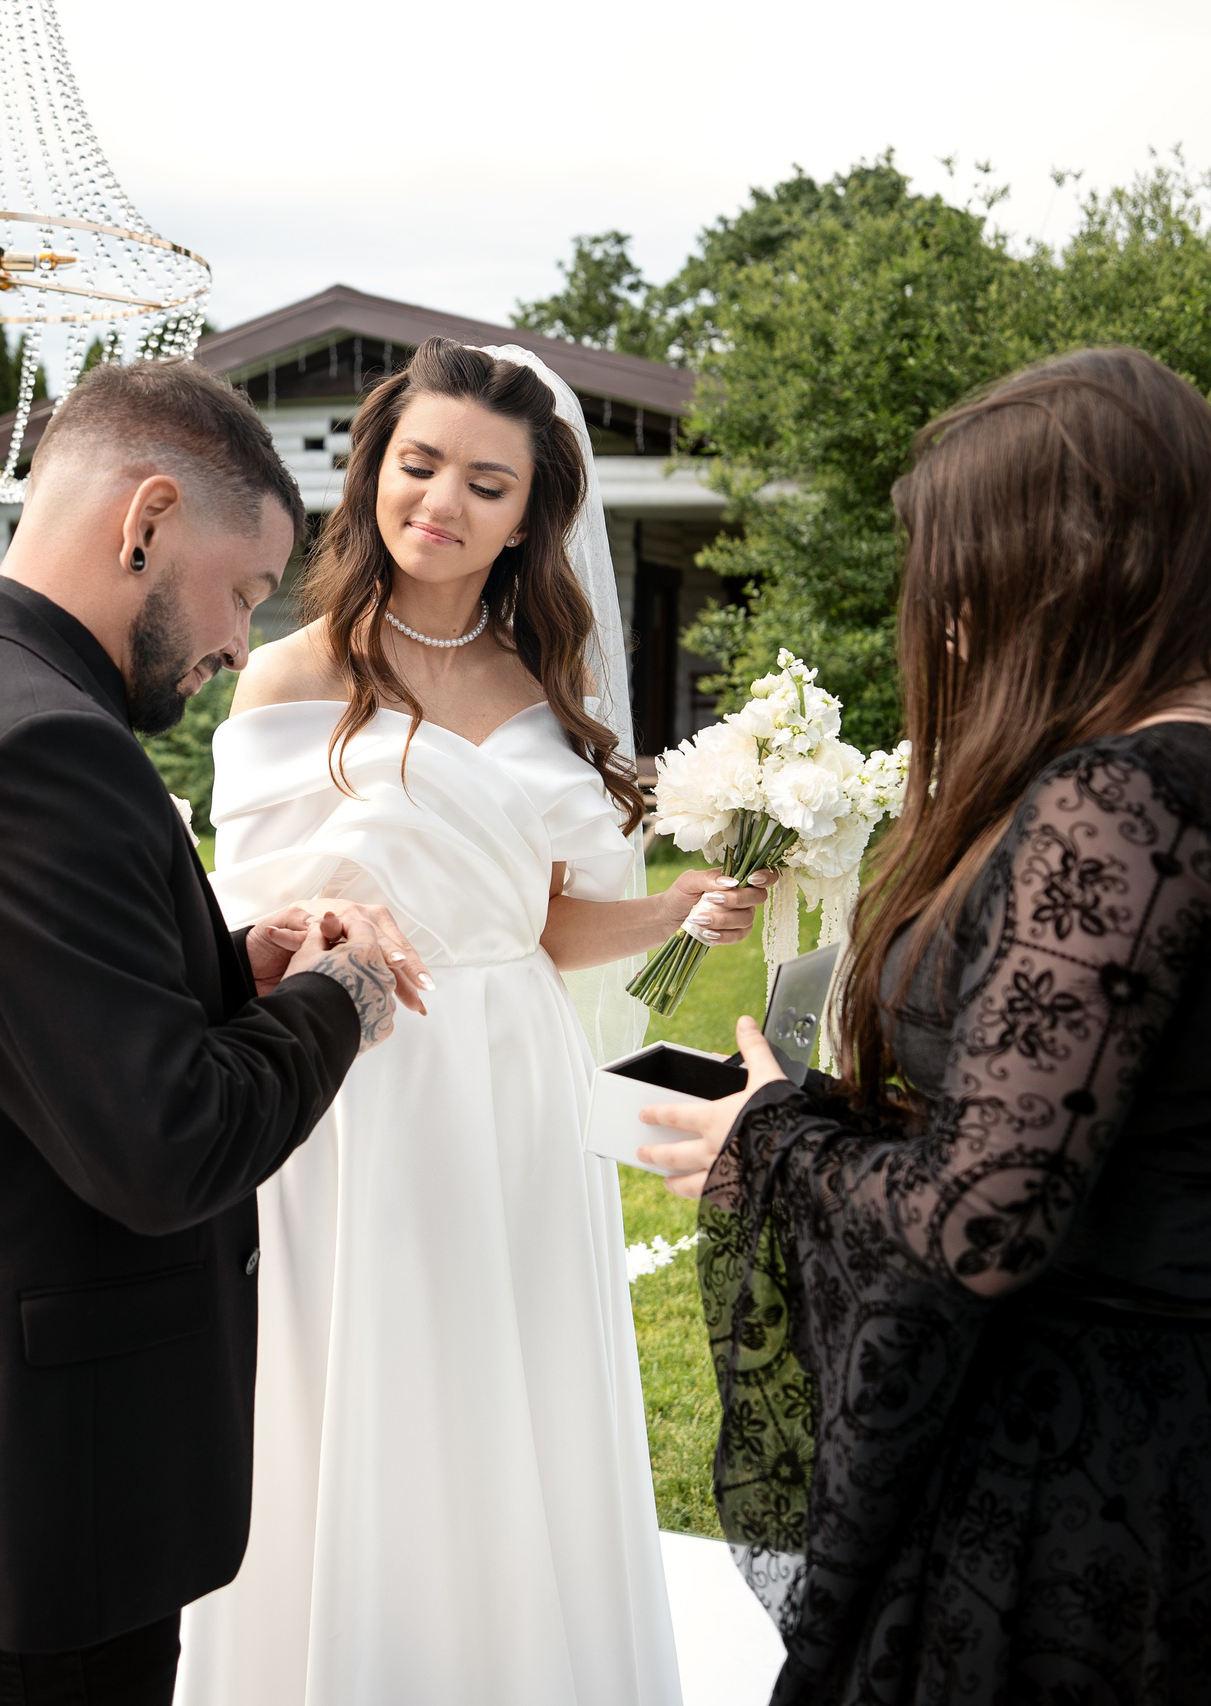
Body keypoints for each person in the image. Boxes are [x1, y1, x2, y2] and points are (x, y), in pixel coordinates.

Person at [639, 346, 1211, 1705]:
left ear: (1071, 562)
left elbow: (983, 1217)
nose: (942, 629)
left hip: (1088, 1505)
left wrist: (773, 1143)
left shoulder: (1124, 801)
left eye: (961, 584)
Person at [0, 358, 429, 1706]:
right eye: (243, 586)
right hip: (41, 1493)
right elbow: (167, 1142)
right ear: (145, 520)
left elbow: (25, 1026)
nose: (241, 643)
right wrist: (342, 995)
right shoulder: (40, 748)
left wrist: (234, 969)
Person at [174, 338, 767, 1705]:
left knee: (514, 1393)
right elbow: (249, 940)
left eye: (484, 482)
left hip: (512, 1082)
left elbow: (546, 926)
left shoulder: (546, 691)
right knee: (356, 1395)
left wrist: (672, 909)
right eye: (419, 461)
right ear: (377, 465)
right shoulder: (292, 677)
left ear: (527, 513)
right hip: (354, 1083)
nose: (438, 499)